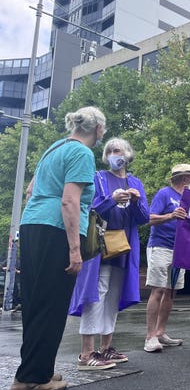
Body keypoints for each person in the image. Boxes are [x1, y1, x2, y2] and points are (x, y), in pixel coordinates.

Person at [11, 107, 106, 390]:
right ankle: (33, 379)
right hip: (56, 229)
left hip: (32, 224)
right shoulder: (82, 153)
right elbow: (69, 201)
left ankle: (36, 368)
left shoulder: (54, 148)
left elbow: (30, 191)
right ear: (98, 129)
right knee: (52, 304)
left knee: (36, 301)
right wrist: (75, 250)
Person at [69, 138, 149, 369]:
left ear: (128, 154)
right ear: (106, 156)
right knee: (96, 294)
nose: (115, 154)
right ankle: (87, 353)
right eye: (111, 151)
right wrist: (111, 200)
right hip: (100, 246)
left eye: (119, 150)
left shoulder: (135, 182)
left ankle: (106, 348)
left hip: (124, 246)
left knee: (113, 295)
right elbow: (89, 209)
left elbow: (144, 218)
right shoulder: (98, 178)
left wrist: (134, 202)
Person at [144, 163, 190, 352]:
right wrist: (170, 216)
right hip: (160, 247)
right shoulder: (164, 194)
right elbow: (149, 219)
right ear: (184, 179)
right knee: (158, 290)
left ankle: (160, 332)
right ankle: (150, 336)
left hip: (179, 251)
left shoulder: (188, 199)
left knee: (171, 291)